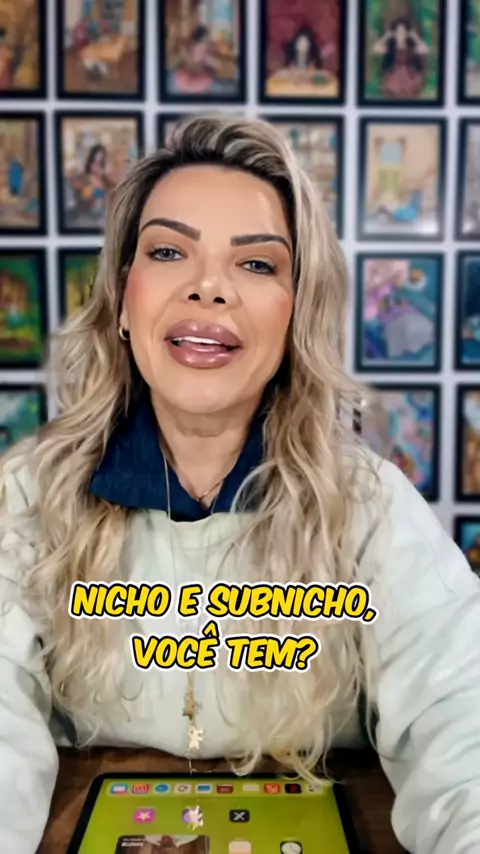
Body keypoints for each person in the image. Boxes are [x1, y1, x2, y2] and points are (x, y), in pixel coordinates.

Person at [0, 115, 479, 854]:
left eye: (256, 264)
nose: (209, 287)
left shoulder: (371, 508)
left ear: (297, 310)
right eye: (168, 252)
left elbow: (463, 726)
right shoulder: (29, 498)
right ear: (123, 297)